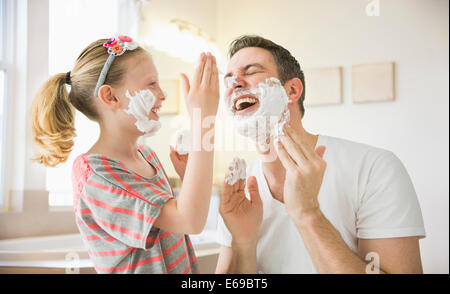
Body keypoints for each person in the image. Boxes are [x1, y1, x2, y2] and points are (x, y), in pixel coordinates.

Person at [215, 35, 426, 274]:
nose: (236, 83)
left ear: (292, 90)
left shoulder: (374, 168)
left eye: (251, 71)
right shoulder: (240, 188)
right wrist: (244, 243)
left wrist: (309, 214)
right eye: (229, 79)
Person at [30, 35, 220, 274]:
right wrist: (203, 120)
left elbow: (178, 224)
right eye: (151, 84)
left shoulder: (147, 156)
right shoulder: (95, 175)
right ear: (110, 97)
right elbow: (190, 220)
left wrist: (189, 175)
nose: (162, 94)